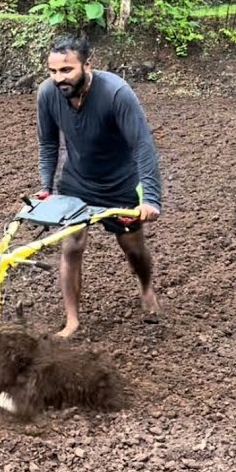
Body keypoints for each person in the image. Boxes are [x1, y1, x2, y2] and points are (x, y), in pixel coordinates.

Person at [35, 34, 164, 339]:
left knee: (132, 247)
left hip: (119, 182)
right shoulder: (47, 94)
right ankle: (72, 321)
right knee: (72, 244)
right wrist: (45, 187)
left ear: (87, 65)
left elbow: (143, 146)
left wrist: (151, 198)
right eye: (53, 72)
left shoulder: (116, 93)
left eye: (66, 70)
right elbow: (48, 143)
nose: (58, 78)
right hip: (77, 181)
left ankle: (146, 288)